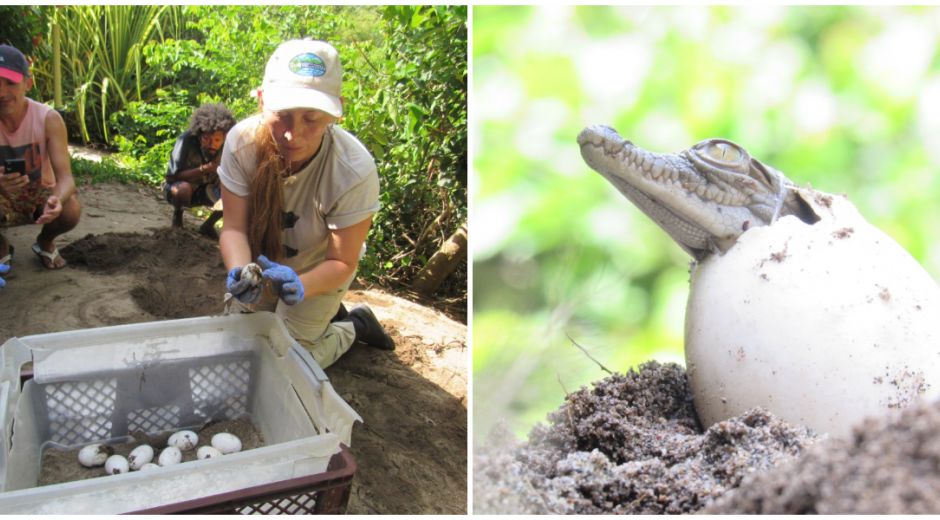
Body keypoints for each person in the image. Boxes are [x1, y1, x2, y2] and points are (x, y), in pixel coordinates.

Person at [218, 39, 395, 368]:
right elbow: (233, 229)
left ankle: (354, 327)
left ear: (335, 111)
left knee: (287, 362)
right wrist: (240, 272)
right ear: (261, 101)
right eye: (282, 115)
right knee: (236, 347)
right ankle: (317, 315)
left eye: (311, 118)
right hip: (262, 258)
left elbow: (342, 261)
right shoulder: (241, 143)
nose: (292, 134)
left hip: (321, 269)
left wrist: (303, 284)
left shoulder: (353, 170)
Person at [0, 44, 80, 286]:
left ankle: (45, 241)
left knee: (70, 209)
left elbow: (66, 178)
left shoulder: (48, 119)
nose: (1, 92)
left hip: (38, 194)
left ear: (28, 83)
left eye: (10, 82)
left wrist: (56, 199)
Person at [164, 102, 236, 238]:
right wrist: (205, 169)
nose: (212, 144)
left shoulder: (228, 146)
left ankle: (208, 225)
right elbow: (171, 178)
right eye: (206, 139)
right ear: (199, 135)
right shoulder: (185, 141)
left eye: (216, 140)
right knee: (182, 189)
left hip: (207, 190)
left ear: (224, 137)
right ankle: (177, 217)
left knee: (234, 192)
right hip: (182, 189)